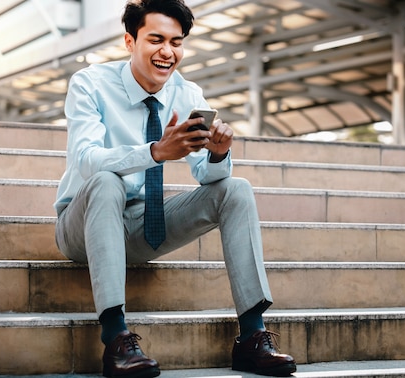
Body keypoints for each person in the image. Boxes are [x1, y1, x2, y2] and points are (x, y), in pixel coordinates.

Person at [53, 0, 296, 377]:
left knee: (236, 188)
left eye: (176, 42)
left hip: (143, 227)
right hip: (82, 227)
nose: (168, 52)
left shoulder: (187, 93)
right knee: (105, 180)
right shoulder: (90, 83)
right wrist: (156, 152)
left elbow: (208, 178)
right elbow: (87, 159)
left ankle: (252, 335)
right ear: (130, 42)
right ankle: (116, 337)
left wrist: (218, 154)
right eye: (156, 39)